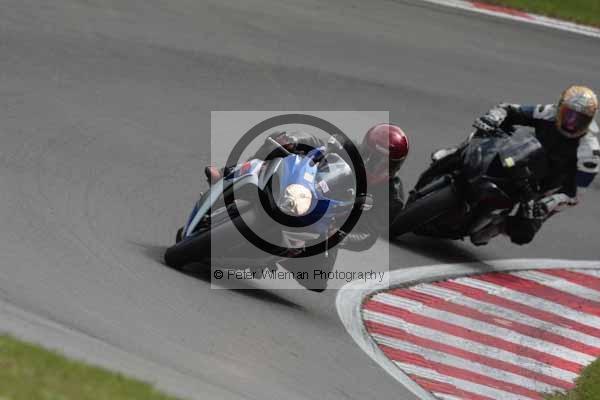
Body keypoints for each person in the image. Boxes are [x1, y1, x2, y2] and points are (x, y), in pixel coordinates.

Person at [432, 85, 599, 245]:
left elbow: (574, 194)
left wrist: (548, 203)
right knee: (489, 129)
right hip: (523, 155)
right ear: (559, 108)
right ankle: (457, 150)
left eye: (580, 120)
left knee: (524, 232)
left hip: (543, 185)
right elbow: (509, 109)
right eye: (568, 115)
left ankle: (497, 226)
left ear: (590, 121)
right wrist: (493, 117)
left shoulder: (590, 153)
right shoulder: (549, 112)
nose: (572, 123)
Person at [204, 123, 409, 250]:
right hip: (304, 189)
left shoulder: (392, 197)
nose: (374, 166)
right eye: (370, 157)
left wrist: (340, 235)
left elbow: (368, 236)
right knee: (278, 140)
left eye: (384, 164)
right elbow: (317, 142)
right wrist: (294, 139)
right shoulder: (348, 147)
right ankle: (226, 174)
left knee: (316, 279)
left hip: (326, 224)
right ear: (364, 148)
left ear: (396, 167)